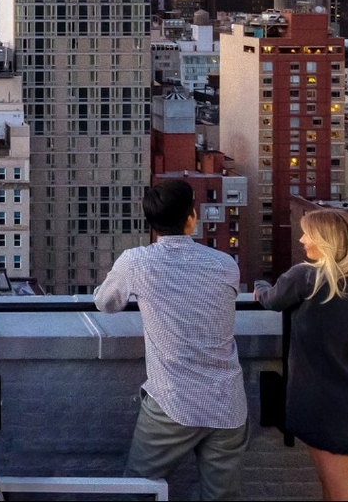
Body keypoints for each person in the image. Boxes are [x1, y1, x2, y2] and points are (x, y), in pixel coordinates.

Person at [94, 178, 248, 500]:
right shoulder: (224, 264)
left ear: (151, 224)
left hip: (173, 399)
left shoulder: (136, 261)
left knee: (137, 490)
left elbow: (105, 303)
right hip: (227, 402)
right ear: (191, 218)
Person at [254, 209, 348, 501]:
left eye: (308, 234)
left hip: (325, 405)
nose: (301, 240)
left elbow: (272, 299)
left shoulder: (306, 277)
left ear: (326, 240)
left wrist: (259, 286)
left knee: (341, 492)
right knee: (335, 487)